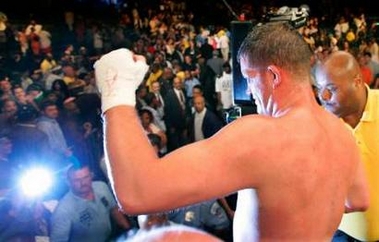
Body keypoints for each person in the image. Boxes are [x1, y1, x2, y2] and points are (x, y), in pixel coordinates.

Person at [94, 22, 369, 241]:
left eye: (250, 78)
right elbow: (358, 200)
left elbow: (137, 192)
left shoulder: (261, 137)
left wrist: (115, 91)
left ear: (273, 76)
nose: (249, 91)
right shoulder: (341, 131)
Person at [314, 50, 379, 242]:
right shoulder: (318, 124)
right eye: (319, 87)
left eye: (331, 88)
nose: (323, 96)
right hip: (341, 234)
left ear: (357, 82)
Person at [50, 164, 131, 242]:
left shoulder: (102, 187)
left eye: (86, 177)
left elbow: (114, 210)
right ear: (68, 182)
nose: (83, 183)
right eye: (77, 180)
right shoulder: (63, 210)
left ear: (91, 175)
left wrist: (129, 231)